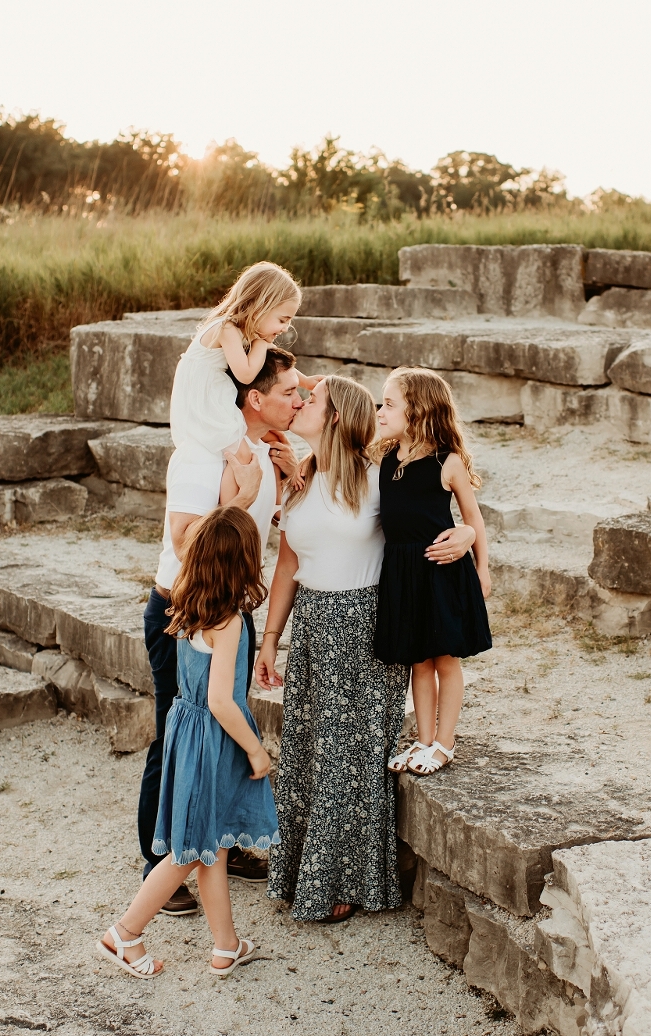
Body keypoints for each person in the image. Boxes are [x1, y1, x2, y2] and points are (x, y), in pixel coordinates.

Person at [256, 376, 476, 923]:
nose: (300, 403)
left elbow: (433, 507)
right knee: (307, 752)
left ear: (335, 417)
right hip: (311, 626)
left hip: (365, 626)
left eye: (311, 399)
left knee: (348, 761)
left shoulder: (380, 475)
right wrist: (271, 638)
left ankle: (345, 882)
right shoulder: (301, 478)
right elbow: (287, 564)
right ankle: (302, 872)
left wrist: (468, 535)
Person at [137, 347, 304, 917]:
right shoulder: (200, 455)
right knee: (176, 733)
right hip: (183, 609)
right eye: (288, 392)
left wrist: (287, 484)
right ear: (254, 398)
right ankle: (159, 866)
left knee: (226, 729)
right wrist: (243, 497)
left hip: (233, 606)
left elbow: (262, 529)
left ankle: (219, 845)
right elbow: (186, 541)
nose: (298, 401)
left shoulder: (264, 450)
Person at [98, 506, 279, 979]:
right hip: (212, 739)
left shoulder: (188, 605)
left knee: (210, 843)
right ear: (242, 563)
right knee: (192, 850)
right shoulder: (229, 621)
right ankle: (125, 934)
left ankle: (226, 945)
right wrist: (255, 749)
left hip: (188, 732)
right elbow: (220, 700)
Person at [373, 367, 492, 777]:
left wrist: (483, 569)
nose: (380, 411)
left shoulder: (448, 461)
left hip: (440, 572)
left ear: (418, 410)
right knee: (417, 662)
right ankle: (423, 740)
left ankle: (445, 742)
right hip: (402, 573)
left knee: (444, 659)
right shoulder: (384, 456)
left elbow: (473, 518)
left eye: (389, 404)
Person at [169, 261, 317, 467]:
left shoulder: (249, 331)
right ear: (259, 308)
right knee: (240, 453)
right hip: (205, 397)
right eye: (283, 320)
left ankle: (275, 483)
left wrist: (306, 381)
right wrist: (261, 343)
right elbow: (245, 375)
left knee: (272, 439)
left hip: (217, 392)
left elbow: (276, 362)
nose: (285, 328)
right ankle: (233, 489)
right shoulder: (227, 328)